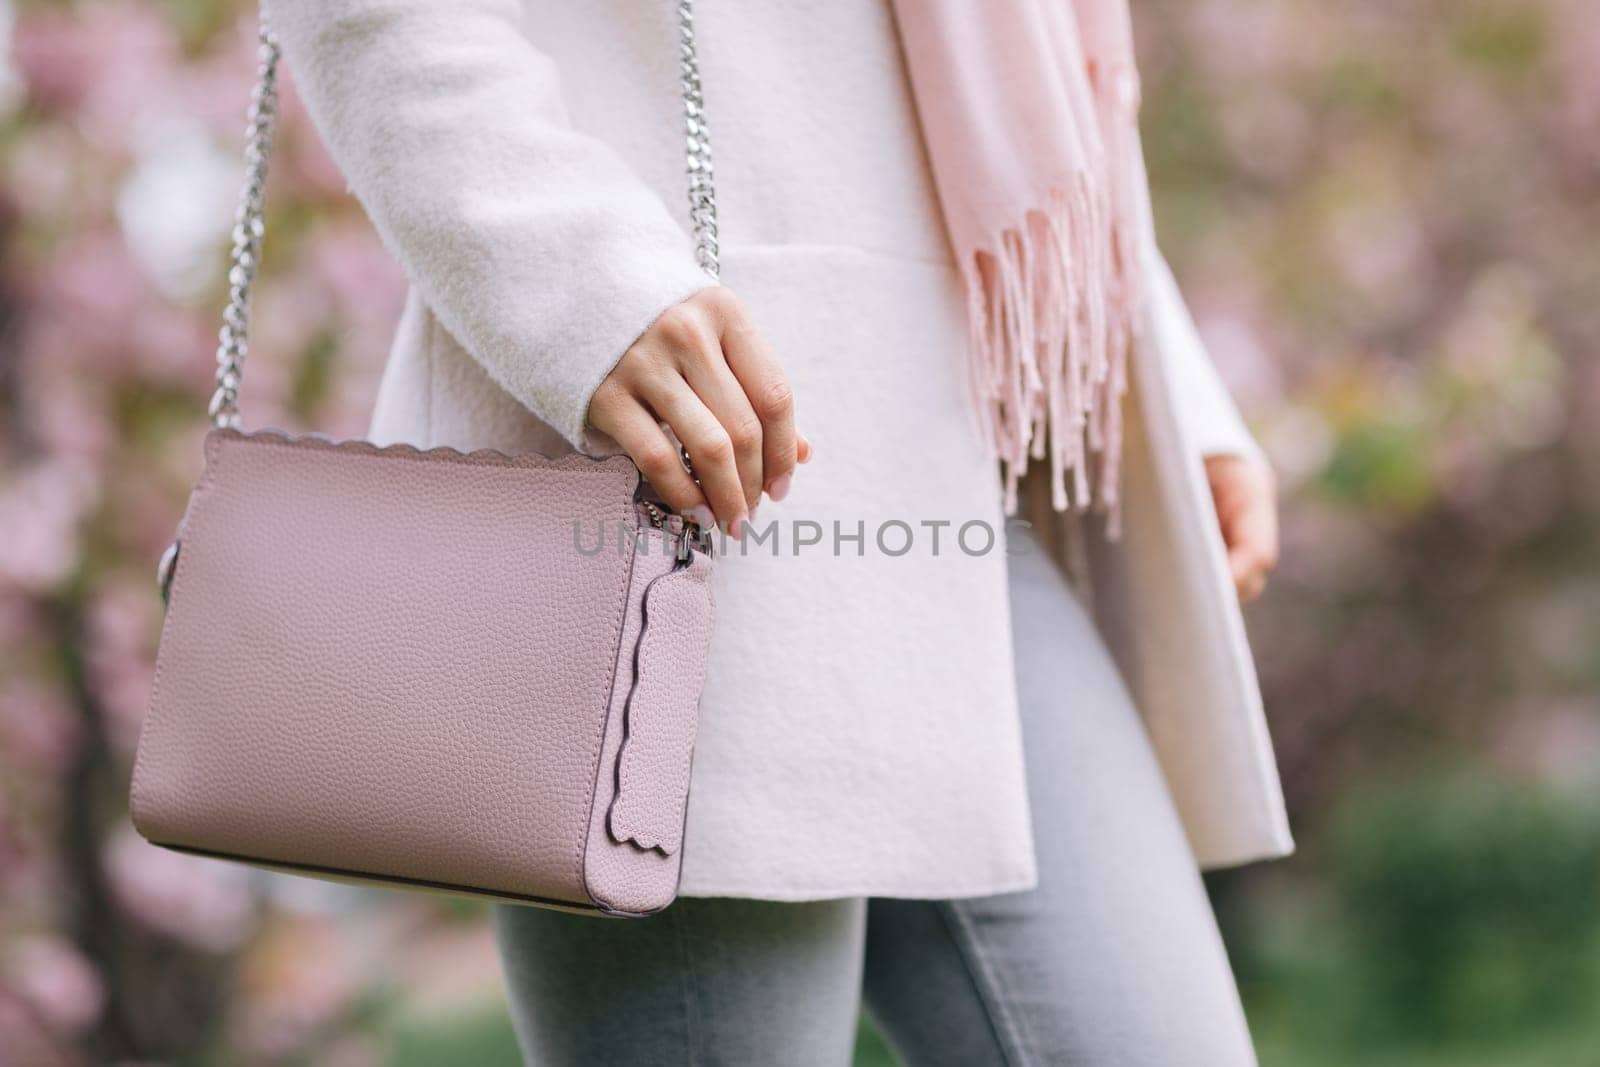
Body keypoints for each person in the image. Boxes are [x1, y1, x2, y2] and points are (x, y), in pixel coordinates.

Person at [271, 0, 1291, 1061]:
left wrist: (1154, 380)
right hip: (670, 476)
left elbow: (1031, 78)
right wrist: (581, 281)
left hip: (968, 484)